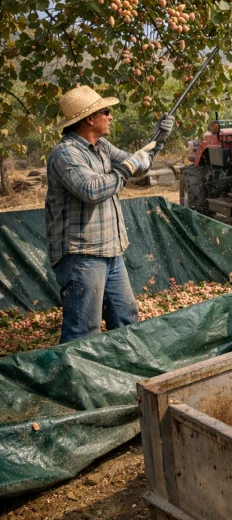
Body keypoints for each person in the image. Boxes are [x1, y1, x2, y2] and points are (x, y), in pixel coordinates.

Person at [46, 85, 175, 343]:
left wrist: (157, 140)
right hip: (82, 256)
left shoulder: (102, 146)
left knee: (126, 319)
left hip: (110, 251)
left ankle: (127, 376)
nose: (111, 116)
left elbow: (138, 167)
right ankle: (74, 381)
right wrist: (128, 166)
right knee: (83, 332)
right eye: (106, 112)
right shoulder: (65, 154)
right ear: (90, 118)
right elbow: (91, 190)